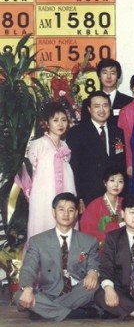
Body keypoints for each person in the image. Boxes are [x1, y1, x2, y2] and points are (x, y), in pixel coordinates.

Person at [16, 193, 100, 321]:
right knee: (19, 296)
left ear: (76, 213)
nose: (66, 214)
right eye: (61, 210)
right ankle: (73, 314)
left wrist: (93, 272)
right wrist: (27, 289)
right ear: (53, 212)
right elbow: (28, 268)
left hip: (76, 292)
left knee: (94, 286)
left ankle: (44, 311)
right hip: (49, 292)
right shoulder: (38, 241)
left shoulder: (89, 241)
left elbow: (94, 263)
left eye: (70, 210)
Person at [26, 102, 76, 241]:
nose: (60, 124)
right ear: (47, 123)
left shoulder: (65, 146)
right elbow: (29, 173)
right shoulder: (38, 144)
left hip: (66, 190)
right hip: (44, 195)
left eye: (64, 120)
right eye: (55, 120)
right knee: (44, 223)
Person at [67, 91, 126, 207]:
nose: (102, 110)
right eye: (97, 106)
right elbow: (74, 167)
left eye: (105, 106)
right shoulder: (77, 132)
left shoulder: (118, 132)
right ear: (89, 109)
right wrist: (79, 196)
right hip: (89, 194)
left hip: (114, 193)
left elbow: (121, 164)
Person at [79, 167, 125, 249]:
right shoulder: (94, 205)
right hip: (102, 247)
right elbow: (86, 229)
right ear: (105, 183)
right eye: (112, 180)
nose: (116, 185)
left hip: (123, 246)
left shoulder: (126, 203)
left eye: (120, 181)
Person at [80, 58, 132, 122]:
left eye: (113, 73)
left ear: (118, 76)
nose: (108, 77)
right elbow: (85, 125)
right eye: (105, 73)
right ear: (99, 76)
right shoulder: (88, 102)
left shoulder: (129, 102)